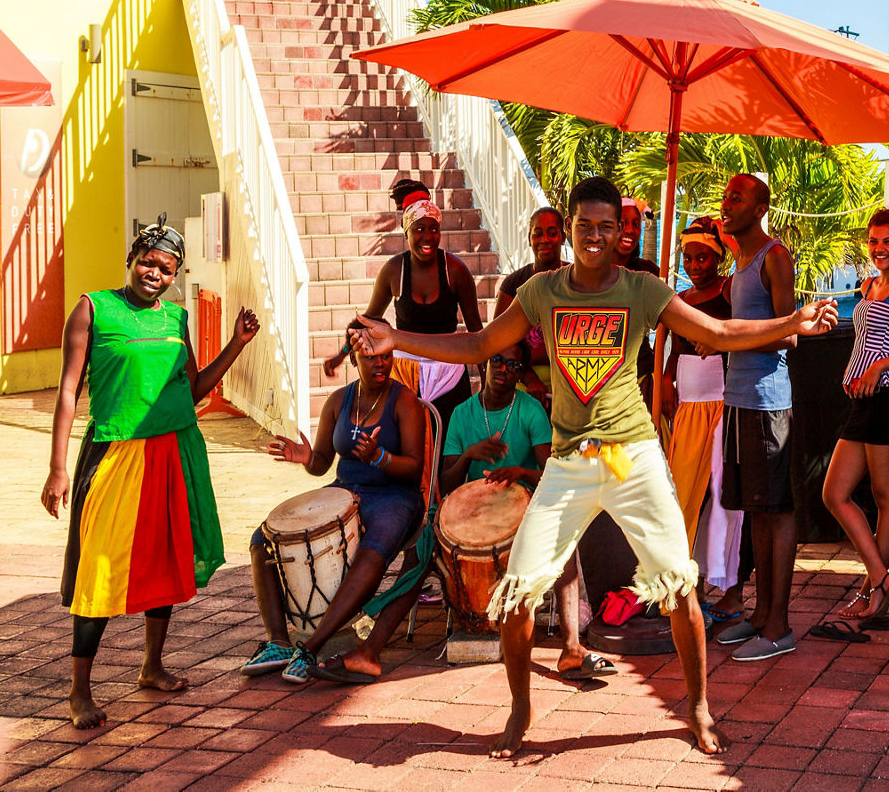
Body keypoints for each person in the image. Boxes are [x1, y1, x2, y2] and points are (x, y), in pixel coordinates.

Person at [350, 175, 839, 757]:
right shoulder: (543, 291)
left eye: (607, 226)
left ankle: (698, 707)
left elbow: (717, 330)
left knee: (679, 587)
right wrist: (396, 338)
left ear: (617, 233)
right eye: (585, 225)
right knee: (518, 594)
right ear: (571, 227)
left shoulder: (641, 289)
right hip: (568, 463)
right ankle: (521, 709)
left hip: (634, 458)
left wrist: (791, 323)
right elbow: (478, 345)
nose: (595, 236)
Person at [41, 223, 259, 729]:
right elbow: (69, 391)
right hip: (115, 453)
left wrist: (237, 344)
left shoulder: (176, 318)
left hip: (173, 450)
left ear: (175, 275)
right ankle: (79, 691)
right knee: (99, 567)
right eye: (148, 261)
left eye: (166, 268)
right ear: (132, 257)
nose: (154, 273)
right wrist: (57, 468)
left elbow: (193, 389)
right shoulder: (93, 309)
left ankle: (151, 666)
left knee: (163, 558)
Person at [244, 317, 425, 683]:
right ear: (353, 356)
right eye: (370, 356)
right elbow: (322, 463)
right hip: (344, 491)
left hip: (395, 496)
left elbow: (414, 469)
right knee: (263, 539)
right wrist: (306, 458)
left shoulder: (404, 401)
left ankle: (310, 648)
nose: (380, 363)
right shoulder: (338, 401)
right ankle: (278, 641)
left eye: (385, 355)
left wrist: (380, 457)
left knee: (372, 551)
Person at [816, 209, 889, 624]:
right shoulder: (869, 285)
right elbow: (865, 338)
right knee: (834, 493)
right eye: (873, 241)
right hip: (863, 402)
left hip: (888, 399)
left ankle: (872, 590)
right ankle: (881, 579)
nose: (879, 249)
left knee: (884, 498)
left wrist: (878, 367)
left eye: (888, 242)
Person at [713, 174, 802, 663]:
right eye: (726, 196)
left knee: (776, 510)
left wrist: (728, 335)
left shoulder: (774, 257)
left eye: (737, 197)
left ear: (760, 208)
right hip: (738, 399)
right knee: (754, 509)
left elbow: (790, 334)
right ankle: (763, 613)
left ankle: (781, 626)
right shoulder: (739, 260)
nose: (726, 204)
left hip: (768, 401)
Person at [325, 183, 482, 430]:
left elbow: (476, 331)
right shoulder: (394, 271)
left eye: (434, 229)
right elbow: (368, 322)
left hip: (449, 372)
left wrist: (486, 384)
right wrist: (343, 353)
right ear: (405, 231)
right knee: (407, 443)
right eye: (419, 229)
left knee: (451, 443)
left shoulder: (455, 270)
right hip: (406, 374)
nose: (428, 237)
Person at [658, 218, 746, 620]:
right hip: (689, 406)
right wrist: (666, 378)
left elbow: (742, 331)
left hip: (723, 403)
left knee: (725, 497)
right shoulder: (679, 299)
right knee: (681, 494)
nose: (694, 265)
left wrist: (719, 342)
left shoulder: (728, 289)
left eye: (703, 257)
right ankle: (677, 584)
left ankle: (729, 587)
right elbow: (676, 349)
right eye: (688, 258)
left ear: (718, 256)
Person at [493, 207, 569, 403]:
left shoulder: (576, 280)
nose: (544, 240)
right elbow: (500, 344)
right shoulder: (513, 284)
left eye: (552, 233)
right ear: (529, 239)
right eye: (538, 234)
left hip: (570, 383)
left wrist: (528, 355)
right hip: (524, 381)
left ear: (563, 237)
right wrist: (531, 379)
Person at [612, 197, 662, 408]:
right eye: (622, 223)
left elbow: (669, 322)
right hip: (598, 382)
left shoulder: (648, 272)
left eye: (636, 224)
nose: (630, 230)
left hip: (640, 378)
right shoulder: (590, 272)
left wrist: (661, 373)